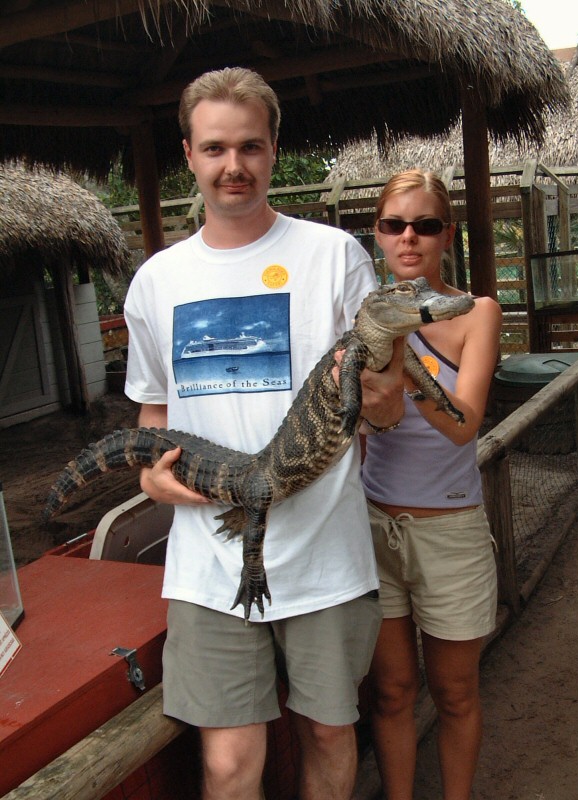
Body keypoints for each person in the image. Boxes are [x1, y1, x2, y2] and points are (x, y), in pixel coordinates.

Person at [123, 67, 402, 800]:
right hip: (208, 562)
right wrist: (151, 478)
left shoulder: (335, 256)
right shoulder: (156, 280)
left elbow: (385, 409)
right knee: (228, 763)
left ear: (274, 148)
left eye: (250, 146)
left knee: (329, 735)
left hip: (325, 557)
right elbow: (153, 416)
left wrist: (383, 398)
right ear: (189, 154)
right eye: (215, 148)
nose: (233, 165)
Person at [360, 169, 502, 800]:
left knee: (455, 692)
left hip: (449, 533)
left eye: (425, 225)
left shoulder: (476, 313)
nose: (408, 238)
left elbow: (463, 427)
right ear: (378, 234)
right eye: (394, 225)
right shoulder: (365, 315)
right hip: (373, 529)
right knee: (391, 692)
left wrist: (406, 365)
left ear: (448, 234)